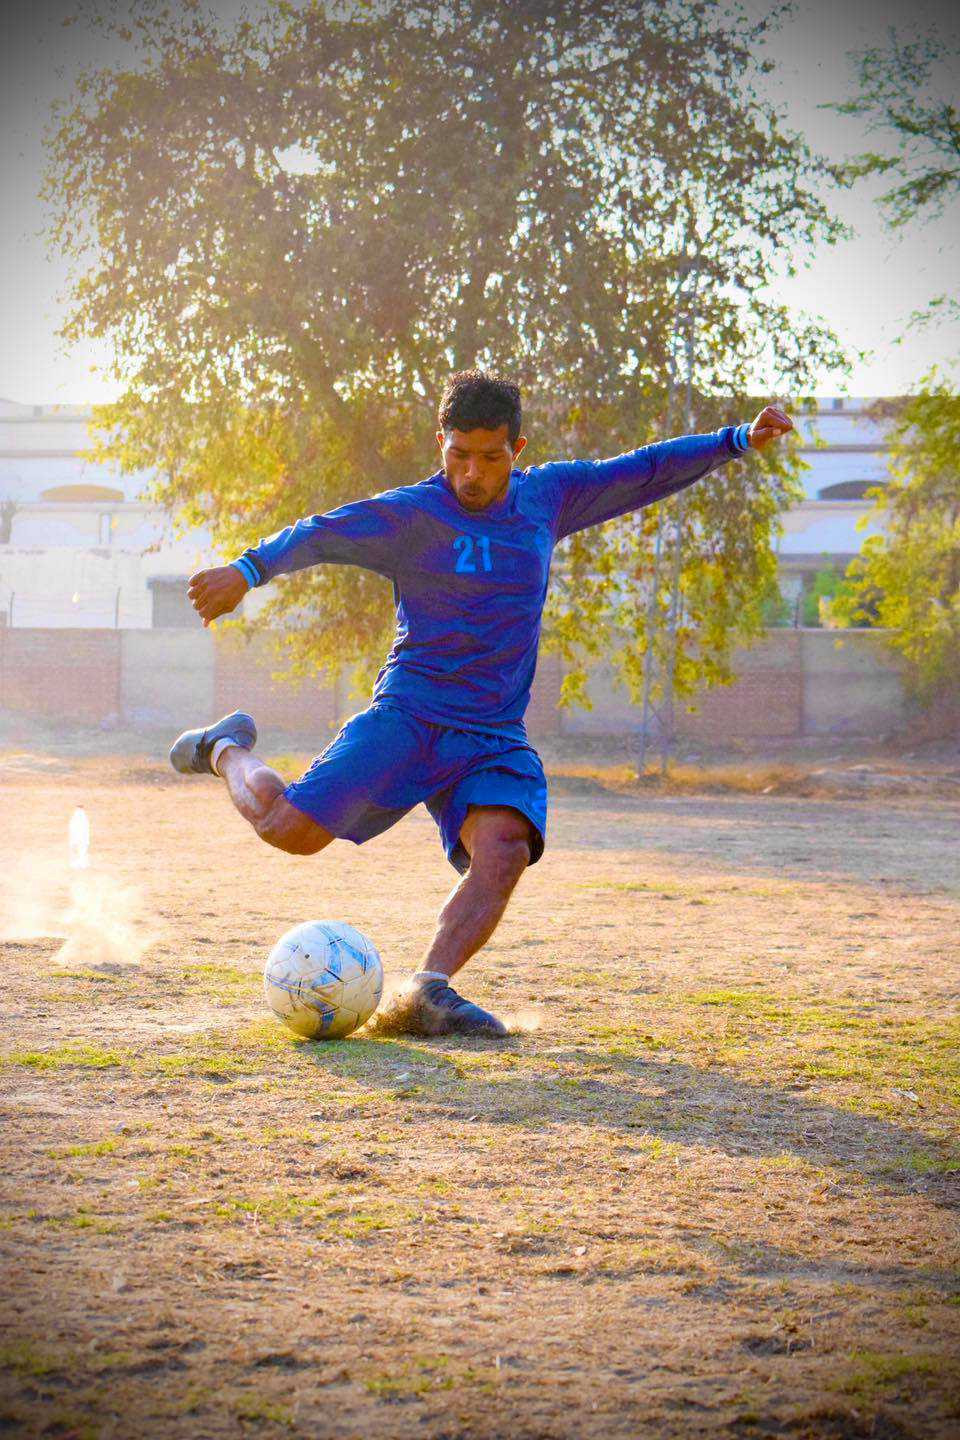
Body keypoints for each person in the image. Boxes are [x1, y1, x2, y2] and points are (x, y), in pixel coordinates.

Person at [171, 371, 792, 1036]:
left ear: (516, 449)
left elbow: (641, 471)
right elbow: (323, 531)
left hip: (492, 732)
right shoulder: (412, 514)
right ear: (440, 441)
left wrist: (735, 440)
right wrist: (247, 571)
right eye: (458, 454)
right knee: (287, 831)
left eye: (490, 457)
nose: (472, 473)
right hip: (409, 716)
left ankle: (427, 990)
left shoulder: (548, 499)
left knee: (506, 848)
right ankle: (224, 747)